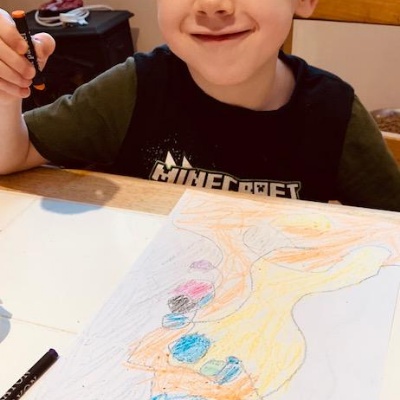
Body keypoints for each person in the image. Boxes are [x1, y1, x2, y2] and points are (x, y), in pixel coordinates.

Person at [0, 0, 399, 211]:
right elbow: (13, 154)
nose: (211, 4)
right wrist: (5, 94)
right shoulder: (134, 88)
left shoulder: (334, 112)